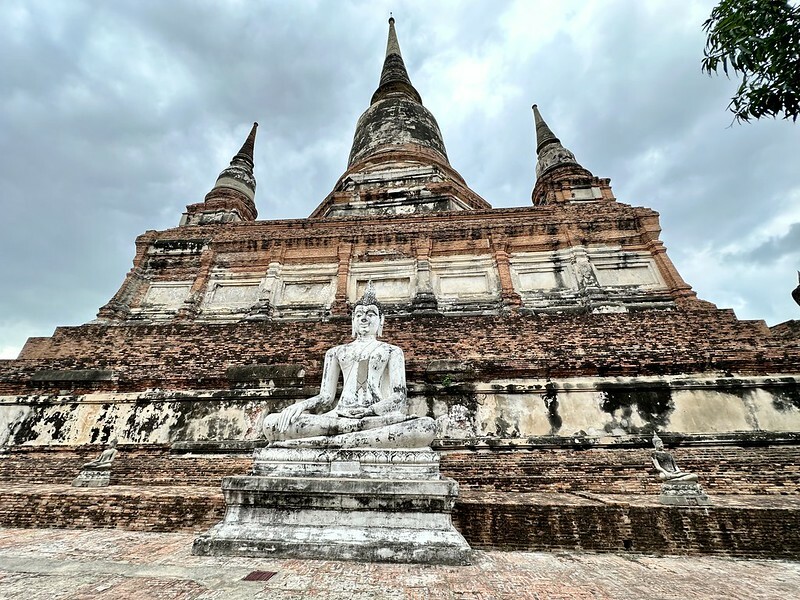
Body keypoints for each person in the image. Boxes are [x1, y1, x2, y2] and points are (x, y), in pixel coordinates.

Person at [262, 283, 436, 448]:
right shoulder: (335, 352)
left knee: (426, 427)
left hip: (374, 418)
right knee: (272, 424)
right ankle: (353, 438)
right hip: (339, 416)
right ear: (353, 320)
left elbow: (399, 396)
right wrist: (299, 406)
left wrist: (369, 412)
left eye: (371, 313)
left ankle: (334, 440)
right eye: (359, 314)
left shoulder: (392, 351)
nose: (364, 318)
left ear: (381, 320)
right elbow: (326, 397)